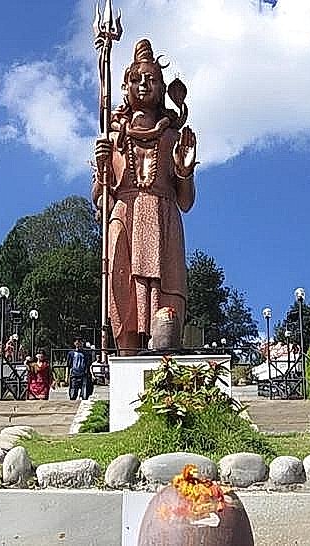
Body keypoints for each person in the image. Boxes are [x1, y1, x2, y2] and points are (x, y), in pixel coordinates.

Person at [93, 38, 198, 354]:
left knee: (165, 286)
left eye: (151, 79)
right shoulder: (112, 137)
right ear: (125, 85)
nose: (143, 85)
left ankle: (162, 343)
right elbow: (100, 199)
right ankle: (126, 348)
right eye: (136, 79)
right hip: (124, 214)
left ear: (163, 87)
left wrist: (185, 171)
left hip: (163, 213)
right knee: (121, 283)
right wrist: (101, 170)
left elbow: (186, 202)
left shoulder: (172, 136)